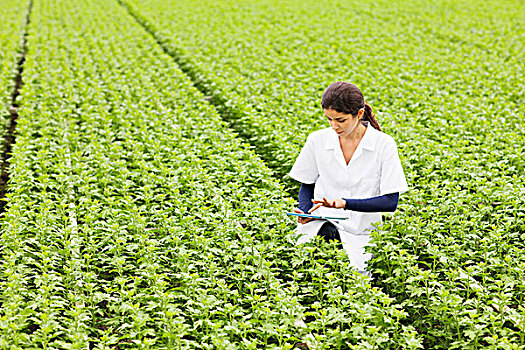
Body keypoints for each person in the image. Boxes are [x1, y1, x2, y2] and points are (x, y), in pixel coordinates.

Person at [288, 81, 409, 275]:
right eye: (329, 119)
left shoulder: (383, 145)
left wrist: (344, 203)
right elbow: (307, 185)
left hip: (361, 232)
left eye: (341, 120)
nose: (334, 126)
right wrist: (305, 212)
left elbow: (390, 201)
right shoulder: (317, 140)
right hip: (321, 224)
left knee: (351, 278)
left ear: (359, 114)